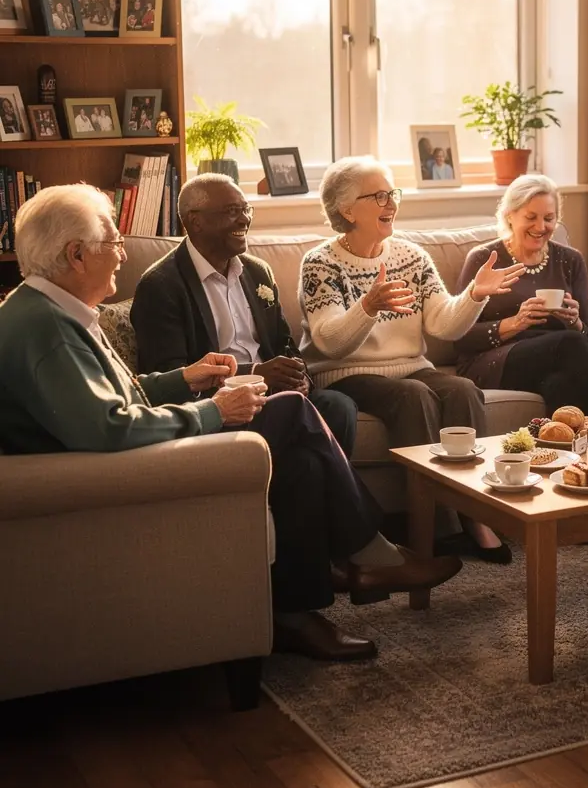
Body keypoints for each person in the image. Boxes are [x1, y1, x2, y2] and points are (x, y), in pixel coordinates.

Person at [0, 185, 462, 664]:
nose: (121, 256)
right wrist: (214, 409)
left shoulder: (50, 313)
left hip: (115, 464)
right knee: (291, 411)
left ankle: (295, 615)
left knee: (302, 460)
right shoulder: (47, 329)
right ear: (76, 255)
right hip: (118, 476)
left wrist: (184, 377)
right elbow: (109, 428)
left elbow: (112, 395)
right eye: (114, 244)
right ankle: (368, 551)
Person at [300, 156, 523, 563]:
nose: (391, 203)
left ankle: (476, 513)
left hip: (411, 366)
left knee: (462, 389)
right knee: (413, 395)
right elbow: (330, 343)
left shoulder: (411, 256)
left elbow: (443, 324)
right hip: (346, 374)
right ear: (347, 209)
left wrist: (476, 294)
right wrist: (367, 306)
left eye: (393, 194)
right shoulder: (320, 263)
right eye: (379, 195)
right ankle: (433, 528)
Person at [131, 173, 361, 468]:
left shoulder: (257, 272)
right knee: (305, 455)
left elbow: (284, 343)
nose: (244, 221)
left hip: (278, 394)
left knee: (338, 407)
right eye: (231, 212)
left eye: (245, 210)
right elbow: (171, 373)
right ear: (195, 221)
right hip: (225, 405)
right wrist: (254, 373)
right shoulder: (161, 285)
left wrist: (298, 375)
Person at [453, 174, 588, 422]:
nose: (540, 227)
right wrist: (515, 323)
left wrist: (574, 322)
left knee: (560, 386)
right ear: (509, 216)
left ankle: (570, 456)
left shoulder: (570, 260)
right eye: (530, 217)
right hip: (492, 362)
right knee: (569, 343)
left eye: (549, 218)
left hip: (557, 361)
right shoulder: (484, 258)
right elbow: (459, 336)